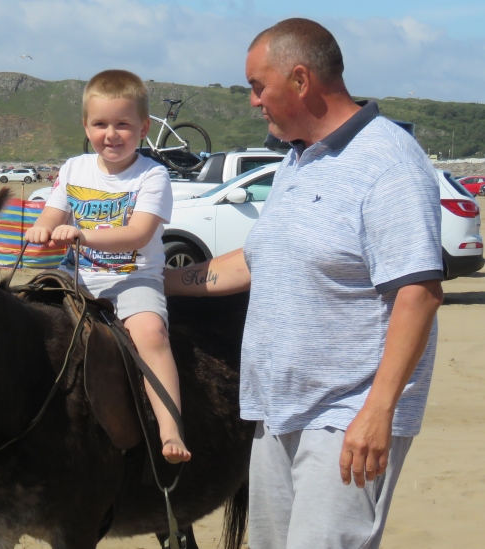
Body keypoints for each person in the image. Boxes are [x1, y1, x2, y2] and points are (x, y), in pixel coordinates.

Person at [164, 18, 443, 548]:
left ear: (300, 79)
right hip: (276, 408)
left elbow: (419, 293)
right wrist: (159, 280)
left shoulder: (389, 163)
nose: (253, 102)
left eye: (257, 86)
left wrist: (378, 413)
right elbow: (254, 262)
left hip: (347, 416)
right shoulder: (297, 159)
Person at [26, 69, 190, 463]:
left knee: (151, 334)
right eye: (100, 124)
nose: (111, 134)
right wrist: (42, 229)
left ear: (144, 127)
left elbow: (137, 234)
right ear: (86, 126)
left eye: (123, 124)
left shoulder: (153, 175)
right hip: (75, 274)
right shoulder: (74, 169)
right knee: (21, 321)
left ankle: (171, 427)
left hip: (134, 277)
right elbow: (53, 212)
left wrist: (82, 235)